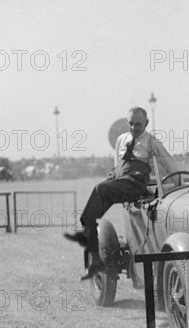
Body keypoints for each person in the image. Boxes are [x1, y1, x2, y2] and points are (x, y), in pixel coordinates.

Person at [64, 106, 174, 280]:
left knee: (100, 189)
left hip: (135, 185)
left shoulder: (152, 142)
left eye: (138, 124)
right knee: (92, 218)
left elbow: (170, 165)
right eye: (130, 124)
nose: (134, 128)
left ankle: (85, 235)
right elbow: (117, 166)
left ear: (146, 123)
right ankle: (95, 262)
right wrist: (113, 181)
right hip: (120, 183)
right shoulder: (121, 139)